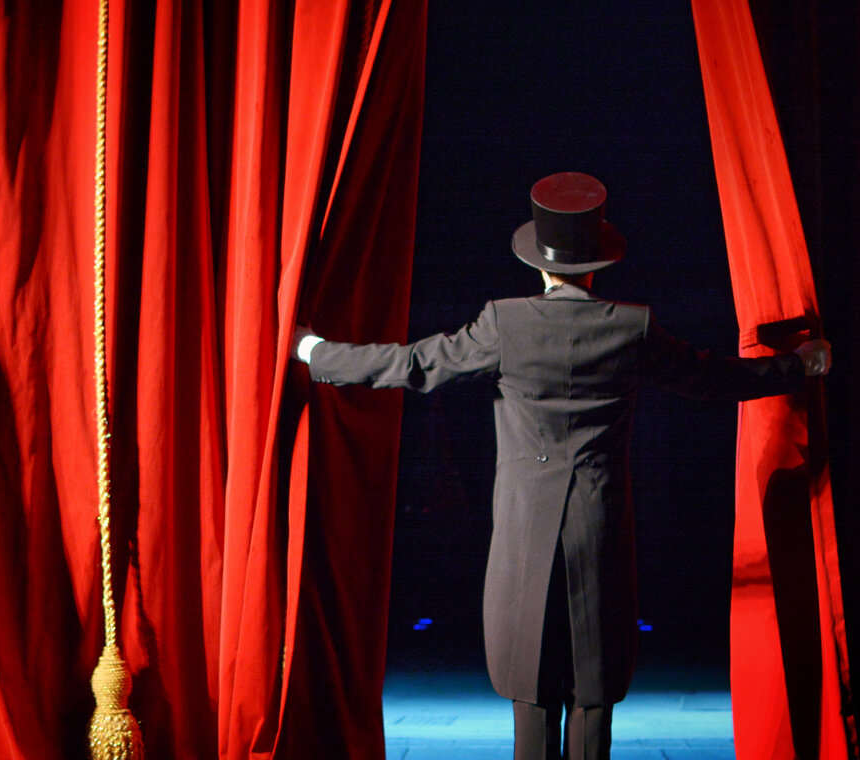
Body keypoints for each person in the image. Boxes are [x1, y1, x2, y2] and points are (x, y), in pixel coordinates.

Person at [293, 172, 829, 760]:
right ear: (597, 265)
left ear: (539, 263)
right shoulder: (631, 327)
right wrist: (800, 366)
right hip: (598, 529)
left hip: (524, 531)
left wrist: (315, 351)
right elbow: (714, 379)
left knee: (532, 690)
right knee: (594, 690)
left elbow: (414, 365)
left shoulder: (506, 322)